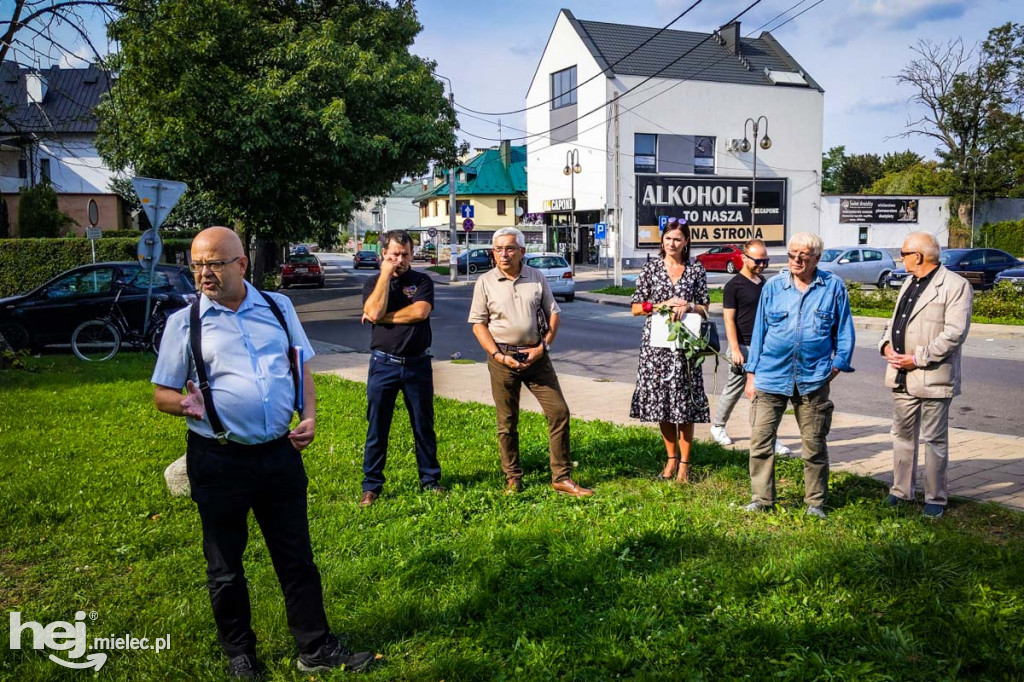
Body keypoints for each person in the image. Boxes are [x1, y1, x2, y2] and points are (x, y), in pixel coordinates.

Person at [152, 226, 374, 678]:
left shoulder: (278, 306)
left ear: (240, 264)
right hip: (217, 459)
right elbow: (161, 393)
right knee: (225, 565)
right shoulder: (185, 322)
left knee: (296, 557)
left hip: (278, 456)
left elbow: (301, 366)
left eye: (213, 263)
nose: (203, 273)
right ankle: (241, 654)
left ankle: (315, 648)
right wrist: (184, 404)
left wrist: (308, 415)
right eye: (196, 264)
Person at [468, 227, 594, 497]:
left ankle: (561, 477)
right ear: (493, 252)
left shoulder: (536, 276)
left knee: (559, 412)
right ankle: (513, 477)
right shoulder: (485, 281)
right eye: (499, 249)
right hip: (502, 358)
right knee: (507, 421)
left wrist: (543, 347)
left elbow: (553, 314)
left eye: (510, 248)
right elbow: (478, 325)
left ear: (522, 252)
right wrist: (499, 356)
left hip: (537, 356)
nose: (504, 253)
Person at [743, 232, 855, 519]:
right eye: (791, 255)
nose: (795, 261)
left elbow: (843, 331)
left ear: (816, 258)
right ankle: (762, 498)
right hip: (770, 375)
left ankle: (815, 502)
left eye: (802, 257)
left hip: (813, 378)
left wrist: (837, 364)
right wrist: (751, 374)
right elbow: (759, 333)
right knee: (760, 441)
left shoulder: (832, 287)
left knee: (814, 444)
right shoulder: (774, 288)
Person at [879, 232, 972, 519]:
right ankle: (901, 491)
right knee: (902, 436)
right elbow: (895, 321)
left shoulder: (955, 286)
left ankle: (935, 498)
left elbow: (954, 334)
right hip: (900, 375)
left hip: (932, 376)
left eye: (904, 253)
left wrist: (917, 358)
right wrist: (885, 345)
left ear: (918, 256)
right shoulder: (909, 281)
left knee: (934, 440)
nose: (900, 258)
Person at [359, 230, 443, 508]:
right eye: (394, 254)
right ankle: (371, 486)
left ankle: (430, 480)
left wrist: (381, 317)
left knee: (423, 426)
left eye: (405, 254)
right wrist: (385, 275)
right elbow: (372, 308)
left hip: (417, 364)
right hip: (383, 364)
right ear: (384, 254)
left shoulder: (421, 280)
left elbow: (420, 312)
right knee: (377, 427)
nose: (400, 259)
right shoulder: (373, 282)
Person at [630, 217, 711, 484]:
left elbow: (705, 307)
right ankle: (671, 459)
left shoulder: (696, 270)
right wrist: (660, 305)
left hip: (686, 348)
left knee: (685, 404)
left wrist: (689, 306)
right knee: (662, 404)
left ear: (686, 242)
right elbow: (635, 308)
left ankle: (685, 465)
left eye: (677, 239)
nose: (672, 243)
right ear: (661, 241)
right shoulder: (651, 269)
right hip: (657, 348)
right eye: (668, 238)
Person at [709, 239, 791, 456]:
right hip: (743, 347)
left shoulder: (764, 283)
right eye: (758, 260)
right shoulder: (733, 286)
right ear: (744, 258)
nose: (762, 265)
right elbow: (728, 320)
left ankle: (768, 437)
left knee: (764, 394)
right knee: (735, 389)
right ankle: (718, 426)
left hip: (764, 349)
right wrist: (735, 349)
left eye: (766, 260)